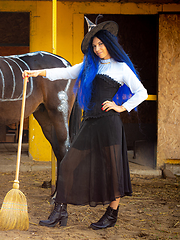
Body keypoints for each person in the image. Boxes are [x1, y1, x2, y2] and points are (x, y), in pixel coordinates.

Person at [22, 16, 148, 230]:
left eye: (101, 44)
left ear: (110, 43)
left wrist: (120, 107)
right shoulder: (89, 66)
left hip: (109, 125)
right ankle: (59, 211)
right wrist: (36, 73)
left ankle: (111, 214)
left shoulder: (121, 68)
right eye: (94, 46)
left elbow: (141, 92)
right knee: (68, 164)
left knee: (113, 170)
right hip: (89, 123)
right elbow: (64, 72)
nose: (98, 49)